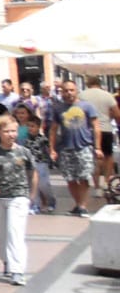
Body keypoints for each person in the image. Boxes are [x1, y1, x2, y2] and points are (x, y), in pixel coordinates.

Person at [0, 113, 37, 286]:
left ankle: (18, 270)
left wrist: (32, 195)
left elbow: (32, 174)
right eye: (7, 131)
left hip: (18, 197)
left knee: (15, 234)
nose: (11, 135)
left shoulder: (24, 152)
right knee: (2, 235)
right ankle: (6, 261)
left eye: (14, 131)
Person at [48, 79, 101, 218]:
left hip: (84, 147)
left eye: (71, 90)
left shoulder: (87, 106)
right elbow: (53, 130)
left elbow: (96, 127)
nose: (69, 93)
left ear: (77, 90)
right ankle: (78, 205)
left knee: (83, 178)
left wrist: (98, 147)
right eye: (65, 90)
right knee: (70, 179)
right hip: (66, 148)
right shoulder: (57, 108)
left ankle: (83, 206)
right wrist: (52, 149)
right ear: (61, 92)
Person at [78, 75, 119, 196]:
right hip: (105, 128)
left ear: (88, 83)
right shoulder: (107, 95)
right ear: (99, 83)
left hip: (88, 130)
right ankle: (106, 182)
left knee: (93, 159)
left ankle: (96, 187)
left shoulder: (82, 96)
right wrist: (110, 117)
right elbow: (117, 114)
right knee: (108, 156)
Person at [14, 102, 55, 214]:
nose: (20, 115)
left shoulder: (37, 133)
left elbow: (47, 147)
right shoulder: (15, 126)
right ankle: (34, 205)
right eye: (18, 113)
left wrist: (51, 156)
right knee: (30, 184)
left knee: (43, 184)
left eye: (23, 113)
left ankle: (48, 201)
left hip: (40, 161)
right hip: (25, 159)